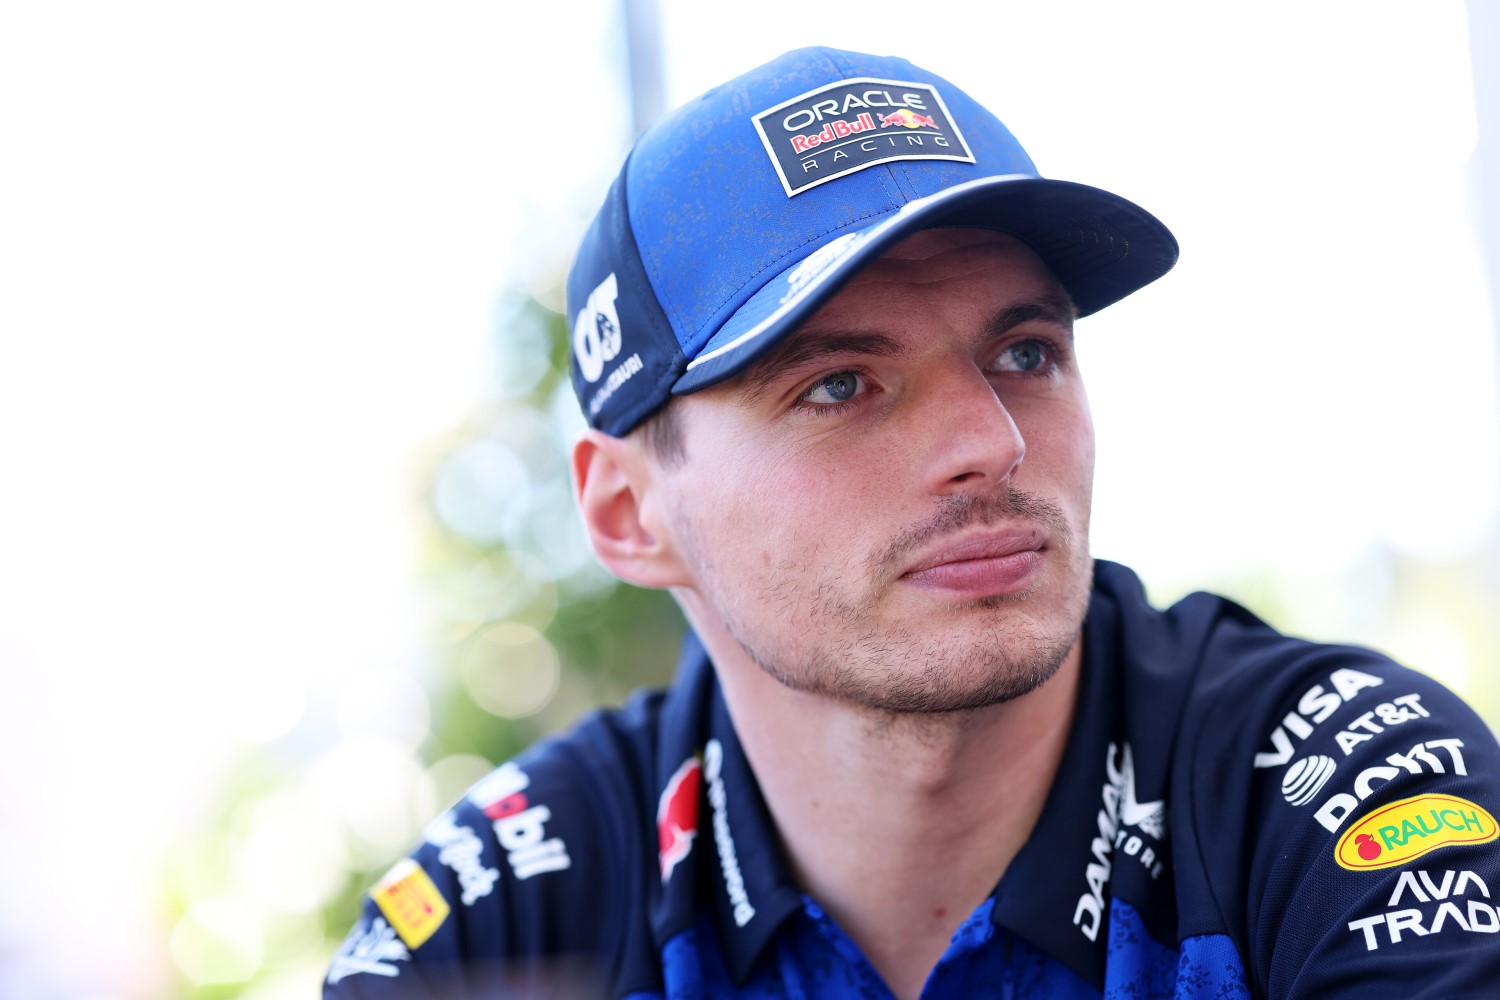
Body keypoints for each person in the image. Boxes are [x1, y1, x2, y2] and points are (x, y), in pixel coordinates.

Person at [324, 47, 1500, 999]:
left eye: (1026, 352)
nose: (992, 440)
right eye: (838, 385)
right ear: (631, 512)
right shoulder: (519, 902)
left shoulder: (1340, 785)